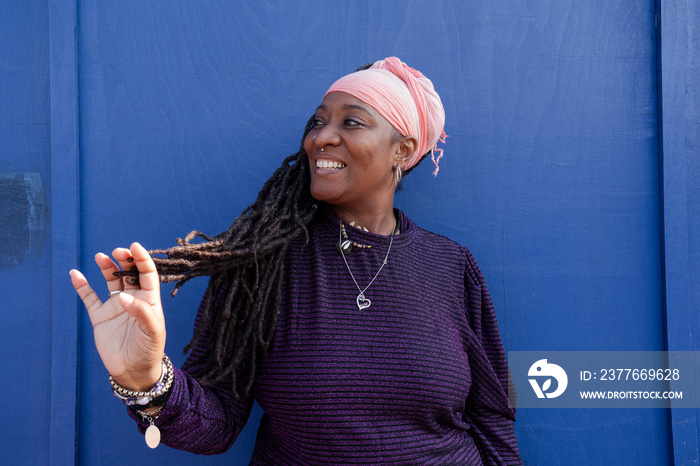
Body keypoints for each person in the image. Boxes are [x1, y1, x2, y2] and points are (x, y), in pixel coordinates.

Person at [70, 57, 522, 465]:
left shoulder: (451, 266)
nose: (322, 137)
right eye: (318, 122)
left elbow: (492, 415)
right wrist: (147, 379)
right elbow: (215, 426)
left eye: (352, 122)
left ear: (402, 151)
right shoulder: (261, 264)